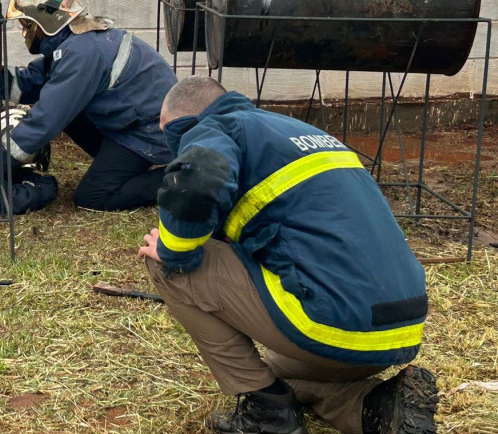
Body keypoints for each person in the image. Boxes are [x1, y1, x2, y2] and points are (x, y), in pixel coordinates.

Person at [138, 76, 436, 434]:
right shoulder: (297, 131)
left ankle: (268, 413)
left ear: (179, 123)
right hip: (398, 330)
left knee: (161, 260)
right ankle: (378, 408)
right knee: (278, 372)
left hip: (333, 320)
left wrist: (173, 249)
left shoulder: (218, 129)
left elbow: (199, 181)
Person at [0, 0, 177, 211]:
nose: (25, 32)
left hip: (149, 133)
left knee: (91, 197)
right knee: (67, 113)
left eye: (27, 25)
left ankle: (177, 178)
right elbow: (31, 84)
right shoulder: (75, 42)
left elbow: (47, 117)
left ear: (46, 22)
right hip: (133, 123)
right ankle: (118, 166)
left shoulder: (83, 52)